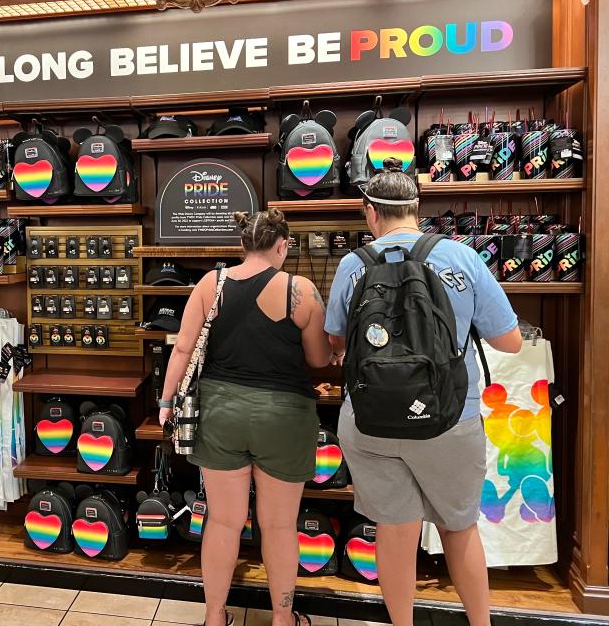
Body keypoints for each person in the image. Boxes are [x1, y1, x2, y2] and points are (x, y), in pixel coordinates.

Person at [324, 159, 523, 626]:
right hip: (449, 418)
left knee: (393, 532)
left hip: (369, 420)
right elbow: (508, 341)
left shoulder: (353, 266)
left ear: (370, 213)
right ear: (417, 208)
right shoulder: (461, 257)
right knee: (460, 527)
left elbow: (336, 343)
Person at [159, 208, 332, 626]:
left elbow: (182, 349)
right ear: (282, 245)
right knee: (279, 526)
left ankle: (215, 617)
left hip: (222, 411)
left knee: (222, 520)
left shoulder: (210, 283)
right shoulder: (301, 290)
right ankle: (282, 618)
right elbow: (319, 359)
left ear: (242, 244)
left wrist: (166, 402)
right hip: (285, 416)